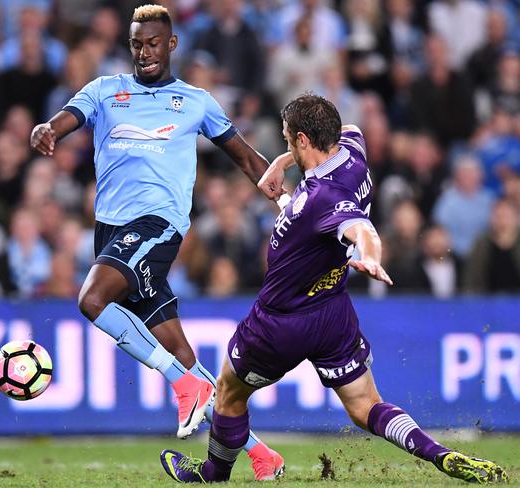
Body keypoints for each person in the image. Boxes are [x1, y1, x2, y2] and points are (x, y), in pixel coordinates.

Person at [159, 94, 508, 484]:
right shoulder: (354, 155)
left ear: (304, 139)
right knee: (365, 406)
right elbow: (352, 129)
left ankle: (212, 473)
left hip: (280, 322)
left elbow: (361, 228)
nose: (285, 143)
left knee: (229, 390)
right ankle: (439, 455)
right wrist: (282, 161)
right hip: (332, 313)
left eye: (287, 139)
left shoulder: (323, 199)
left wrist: (371, 255)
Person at [30, 4, 285, 480]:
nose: (144, 52)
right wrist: (49, 130)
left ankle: (180, 384)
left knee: (91, 300)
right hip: (112, 232)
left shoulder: (196, 101)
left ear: (171, 44)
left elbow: (247, 158)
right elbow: (68, 116)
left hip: (158, 226)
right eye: (136, 44)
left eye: (153, 43)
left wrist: (287, 199)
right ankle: (259, 453)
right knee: (185, 356)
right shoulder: (106, 90)